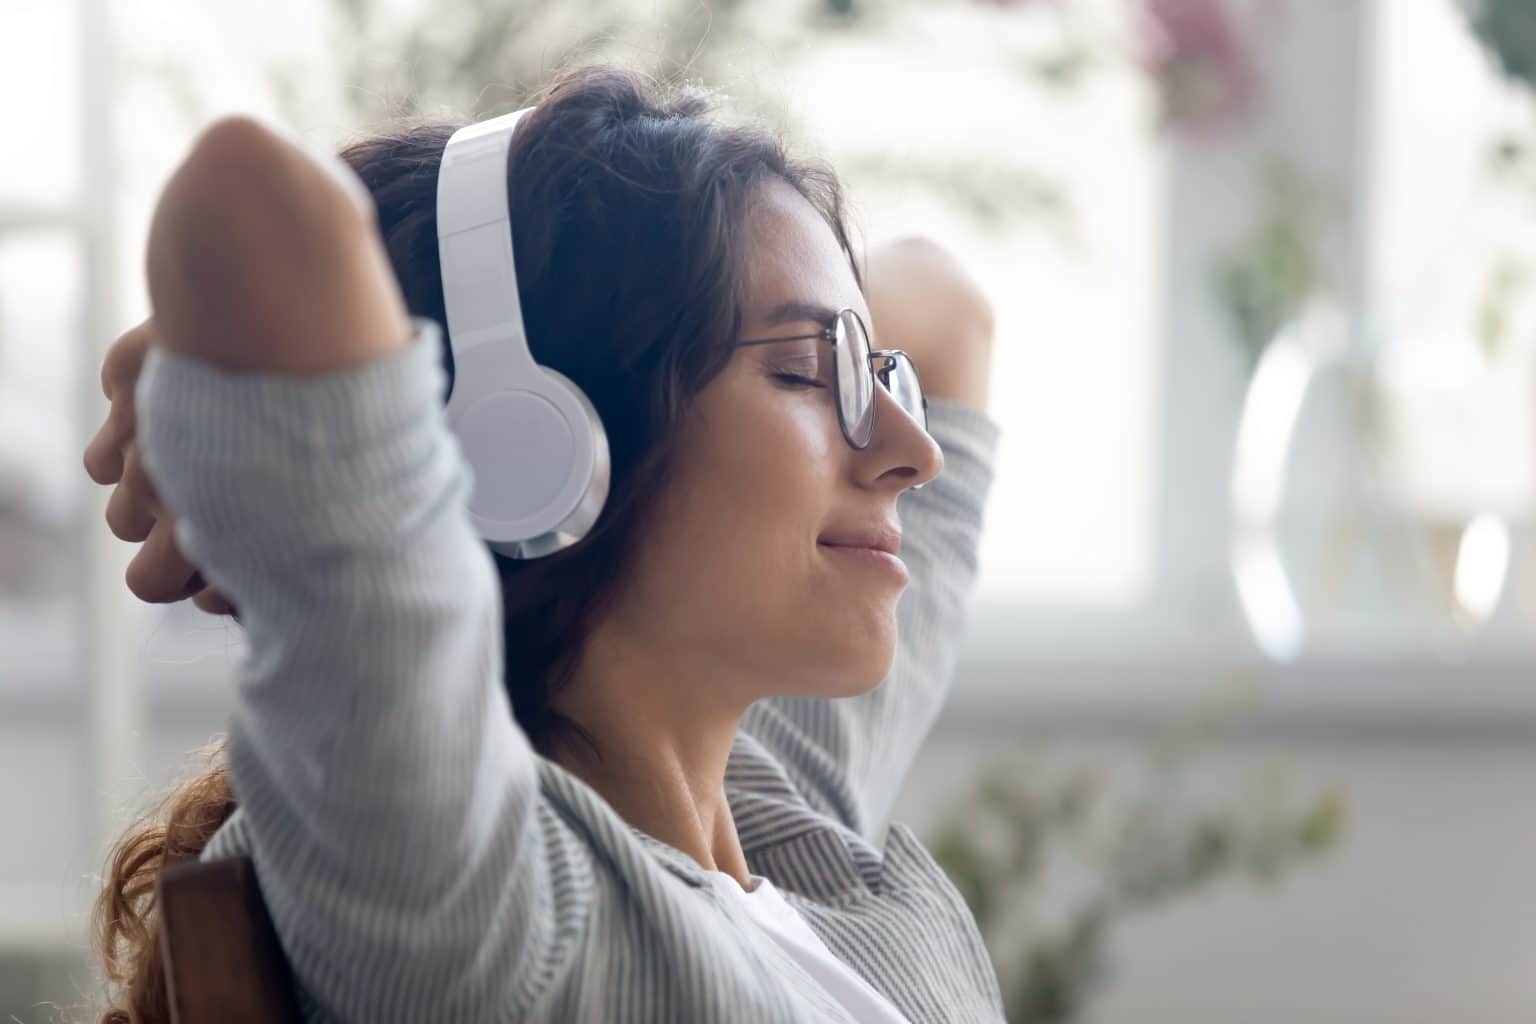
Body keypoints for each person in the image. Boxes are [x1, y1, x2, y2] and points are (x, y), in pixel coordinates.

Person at [83, 63, 1002, 1022]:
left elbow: (946, 303)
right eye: (811, 373)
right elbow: (244, 189)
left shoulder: (773, 815)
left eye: (875, 371)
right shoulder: (502, 911)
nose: (916, 450)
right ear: (533, 441)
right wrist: (238, 359)